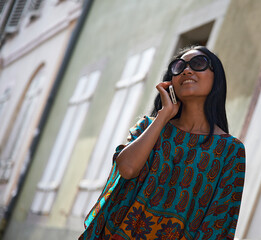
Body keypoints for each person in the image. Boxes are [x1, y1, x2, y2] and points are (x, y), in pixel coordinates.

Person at [79, 46, 246, 240]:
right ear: (170, 82)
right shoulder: (148, 127)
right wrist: (163, 115)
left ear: (216, 78)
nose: (187, 70)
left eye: (198, 64)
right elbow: (127, 168)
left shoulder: (230, 151)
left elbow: (219, 223)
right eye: (178, 67)